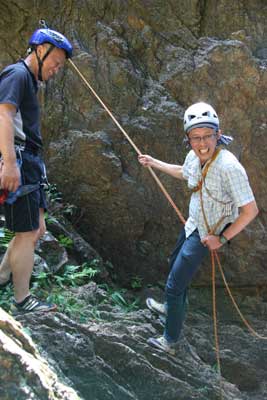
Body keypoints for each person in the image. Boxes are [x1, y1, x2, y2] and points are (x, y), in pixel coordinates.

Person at [138, 102, 258, 355]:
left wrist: (222, 239)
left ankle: (170, 341)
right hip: (192, 224)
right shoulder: (194, 156)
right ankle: (173, 308)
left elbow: (250, 211)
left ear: (218, 134)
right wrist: (154, 163)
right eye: (196, 138)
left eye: (207, 136)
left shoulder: (229, 167)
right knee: (174, 263)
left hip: (207, 235)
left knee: (174, 284)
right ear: (188, 139)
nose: (202, 144)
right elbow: (185, 172)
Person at [0, 26, 73, 315]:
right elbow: (3, 114)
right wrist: (9, 162)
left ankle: (2, 276)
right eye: (55, 62)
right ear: (40, 50)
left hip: (30, 163)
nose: (56, 69)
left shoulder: (29, 81)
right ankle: (22, 300)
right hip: (19, 160)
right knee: (27, 232)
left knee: (36, 229)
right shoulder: (17, 75)